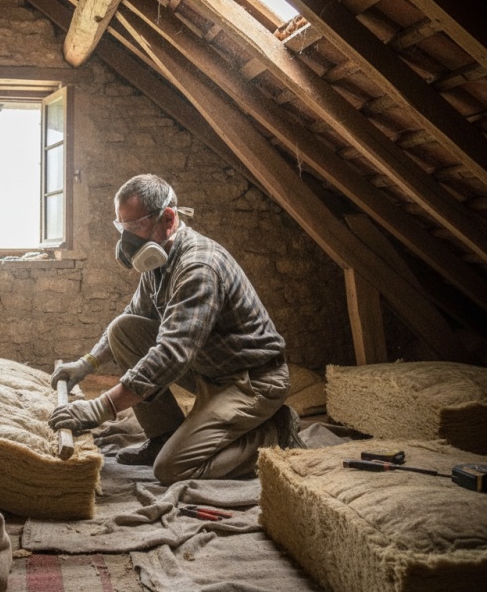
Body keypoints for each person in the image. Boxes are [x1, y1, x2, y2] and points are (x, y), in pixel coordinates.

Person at [48, 174, 303, 484]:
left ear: (168, 219)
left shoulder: (199, 267)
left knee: (173, 469)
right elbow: (132, 315)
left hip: (249, 380)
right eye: (122, 228)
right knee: (123, 331)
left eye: (135, 227)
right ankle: (163, 437)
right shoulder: (156, 258)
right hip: (208, 366)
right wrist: (86, 364)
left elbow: (171, 355)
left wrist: (103, 407)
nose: (127, 240)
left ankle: (275, 431)